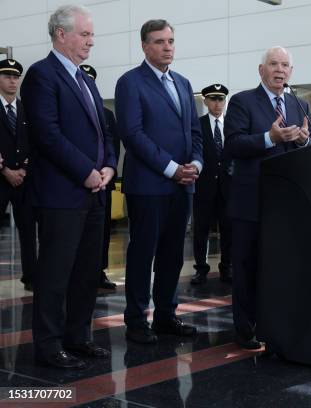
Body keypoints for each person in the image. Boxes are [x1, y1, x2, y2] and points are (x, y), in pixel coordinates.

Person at [20, 4, 116, 369]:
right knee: (55, 274)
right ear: (61, 34)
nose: (91, 41)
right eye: (85, 34)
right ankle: (48, 346)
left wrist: (107, 166)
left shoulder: (86, 80)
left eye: (92, 34)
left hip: (94, 192)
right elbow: (47, 134)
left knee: (86, 272)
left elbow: (105, 130)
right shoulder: (41, 76)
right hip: (62, 193)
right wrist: (85, 172)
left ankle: (78, 337)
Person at [115, 19, 203, 344]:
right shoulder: (130, 83)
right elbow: (133, 135)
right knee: (143, 254)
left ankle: (166, 315)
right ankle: (137, 321)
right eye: (159, 41)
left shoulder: (182, 82)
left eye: (170, 41)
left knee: (173, 255)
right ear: (144, 46)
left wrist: (195, 164)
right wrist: (171, 168)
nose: (167, 47)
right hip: (149, 186)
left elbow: (195, 131)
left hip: (183, 186)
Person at [224, 46, 311, 349]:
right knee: (247, 266)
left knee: (279, 267)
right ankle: (245, 329)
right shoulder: (242, 101)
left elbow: (310, 141)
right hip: (250, 202)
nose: (280, 70)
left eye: (285, 65)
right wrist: (269, 138)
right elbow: (234, 144)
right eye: (274, 64)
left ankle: (274, 325)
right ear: (261, 70)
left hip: (285, 205)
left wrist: (304, 140)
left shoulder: (300, 105)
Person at [79, 64, 120, 291]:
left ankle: (99, 271)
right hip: (77, 179)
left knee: (102, 231)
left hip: (103, 182)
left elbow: (114, 144)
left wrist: (109, 170)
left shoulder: (106, 113)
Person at [0, 58, 37, 292]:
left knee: (28, 229)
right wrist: (5, 170)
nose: (12, 81)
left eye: (16, 77)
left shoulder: (26, 109)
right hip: (0, 178)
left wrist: (24, 169)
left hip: (24, 180)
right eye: (7, 76)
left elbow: (35, 143)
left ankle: (31, 276)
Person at [191, 84, 233, 286]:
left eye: (221, 99)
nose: (218, 104)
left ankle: (227, 268)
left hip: (227, 187)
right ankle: (201, 269)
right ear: (206, 101)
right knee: (201, 230)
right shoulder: (198, 124)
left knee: (228, 230)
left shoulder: (232, 125)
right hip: (204, 186)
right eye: (214, 99)